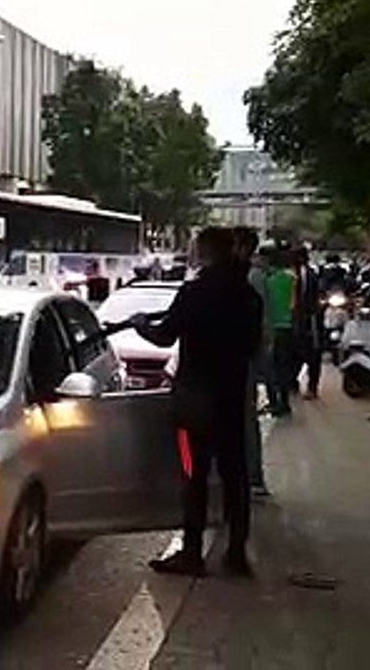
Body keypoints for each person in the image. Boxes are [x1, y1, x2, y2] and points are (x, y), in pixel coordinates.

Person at [132, 227, 262, 577]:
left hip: (195, 402)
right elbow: (253, 346)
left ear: (203, 253)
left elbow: (164, 335)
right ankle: (236, 554)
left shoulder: (194, 292)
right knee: (236, 478)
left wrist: (141, 324)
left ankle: (192, 553)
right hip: (231, 401)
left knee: (194, 475)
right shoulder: (248, 295)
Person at [234, 228, 271, 498]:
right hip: (241, 361)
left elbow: (260, 325)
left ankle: (252, 478)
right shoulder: (246, 276)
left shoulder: (250, 279)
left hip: (240, 362)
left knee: (245, 421)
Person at [264, 246, 297, 416]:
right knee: (284, 367)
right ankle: (284, 402)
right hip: (288, 327)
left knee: (271, 369)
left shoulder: (267, 280)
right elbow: (294, 304)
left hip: (272, 329)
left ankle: (274, 402)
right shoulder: (291, 278)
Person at [292, 246, 323, 400]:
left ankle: (312, 386)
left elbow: (317, 295)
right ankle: (292, 382)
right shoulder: (288, 275)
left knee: (313, 353)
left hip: (310, 319)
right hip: (292, 319)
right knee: (293, 351)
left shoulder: (311, 275)